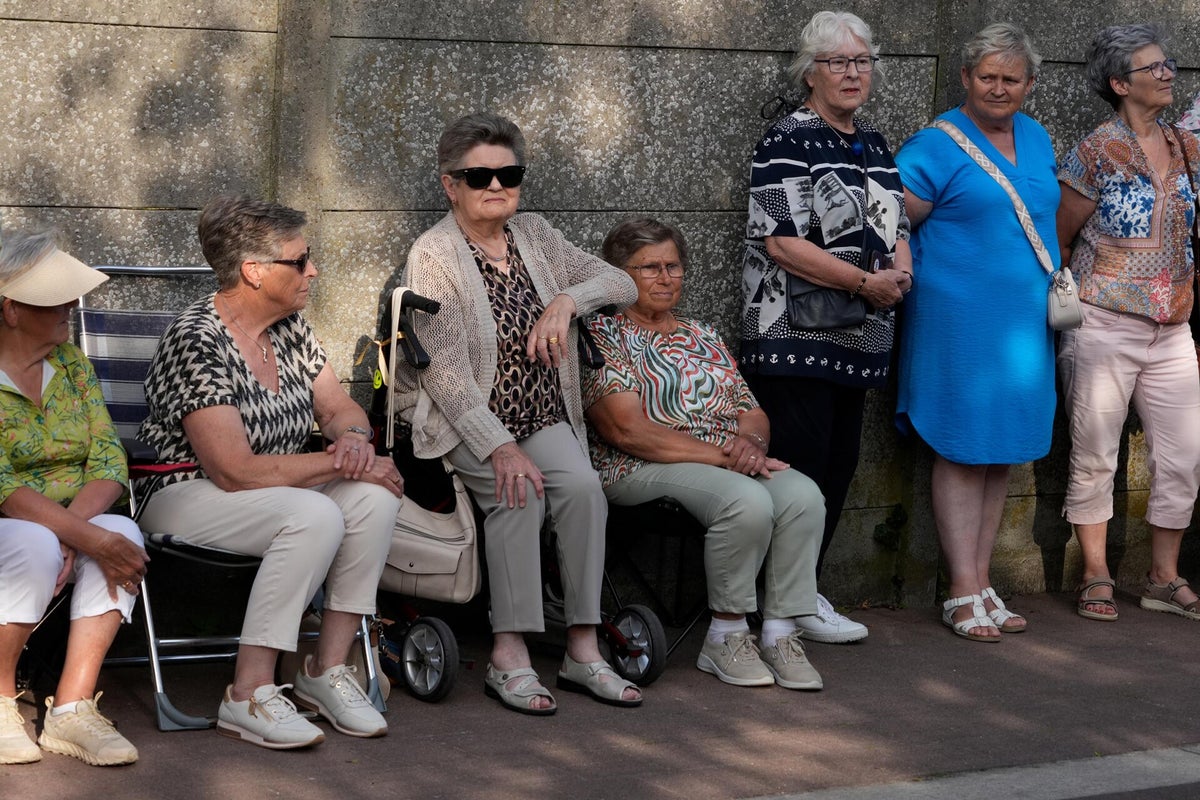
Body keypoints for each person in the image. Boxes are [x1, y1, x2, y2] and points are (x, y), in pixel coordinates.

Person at [392, 112, 641, 714]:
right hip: (464, 420)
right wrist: (498, 446)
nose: (497, 186)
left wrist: (565, 300)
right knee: (517, 493)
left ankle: (583, 648)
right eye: (479, 176)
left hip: (541, 413)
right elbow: (443, 373)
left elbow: (621, 283)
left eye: (510, 174)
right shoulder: (435, 254)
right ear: (451, 185)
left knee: (583, 490)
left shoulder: (535, 234)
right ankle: (509, 655)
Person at [137, 196, 404, 749]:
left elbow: (338, 409)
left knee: (373, 498)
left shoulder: (291, 330)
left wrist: (355, 442)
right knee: (313, 514)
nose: (313, 270)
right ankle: (248, 694)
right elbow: (233, 470)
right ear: (253, 271)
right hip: (185, 490)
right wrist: (339, 461)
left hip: (273, 489)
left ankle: (326, 670)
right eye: (299, 260)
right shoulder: (197, 338)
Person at [584, 218, 826, 690]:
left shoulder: (703, 334)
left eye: (673, 266)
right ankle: (726, 635)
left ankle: (780, 633)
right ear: (617, 276)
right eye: (648, 267)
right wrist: (724, 457)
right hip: (638, 466)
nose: (665, 277)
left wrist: (751, 446)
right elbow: (626, 430)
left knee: (803, 496)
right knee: (745, 499)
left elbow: (751, 412)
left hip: (725, 462)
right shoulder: (601, 335)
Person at [738, 10, 910, 643]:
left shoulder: (875, 141)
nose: (852, 73)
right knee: (800, 473)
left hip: (860, 334)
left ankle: (801, 596)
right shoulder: (788, 137)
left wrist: (901, 274)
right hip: (793, 334)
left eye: (862, 61)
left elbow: (898, 224)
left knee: (837, 470)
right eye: (838, 62)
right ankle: (773, 608)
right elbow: (780, 240)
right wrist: (864, 283)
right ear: (810, 72)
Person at [894, 24, 1057, 641]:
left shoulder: (1036, 136)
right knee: (962, 448)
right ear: (965, 77)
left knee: (1000, 452)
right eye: (987, 75)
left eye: (1011, 78)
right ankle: (960, 589)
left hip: (1022, 325)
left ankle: (983, 580)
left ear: (1030, 84)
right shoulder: (934, 145)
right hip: (958, 324)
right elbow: (891, 223)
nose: (998, 87)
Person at [1056, 24, 1200, 622]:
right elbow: (1062, 237)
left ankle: (1163, 578)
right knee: (1095, 453)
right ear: (1119, 83)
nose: (1167, 74)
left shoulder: (1188, 146)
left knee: (1185, 456)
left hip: (1174, 328)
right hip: (1103, 322)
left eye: (1168, 64)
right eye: (1153, 67)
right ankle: (1095, 573)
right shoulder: (1095, 150)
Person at [0, 231, 145, 766]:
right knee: (33, 542)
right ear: (11, 310)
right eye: (54, 299)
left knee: (122, 532)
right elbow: (5, 488)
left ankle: (71, 709)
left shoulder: (72, 364)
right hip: (10, 525)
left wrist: (75, 536)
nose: (70, 306)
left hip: (66, 520)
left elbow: (109, 462)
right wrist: (78, 538)